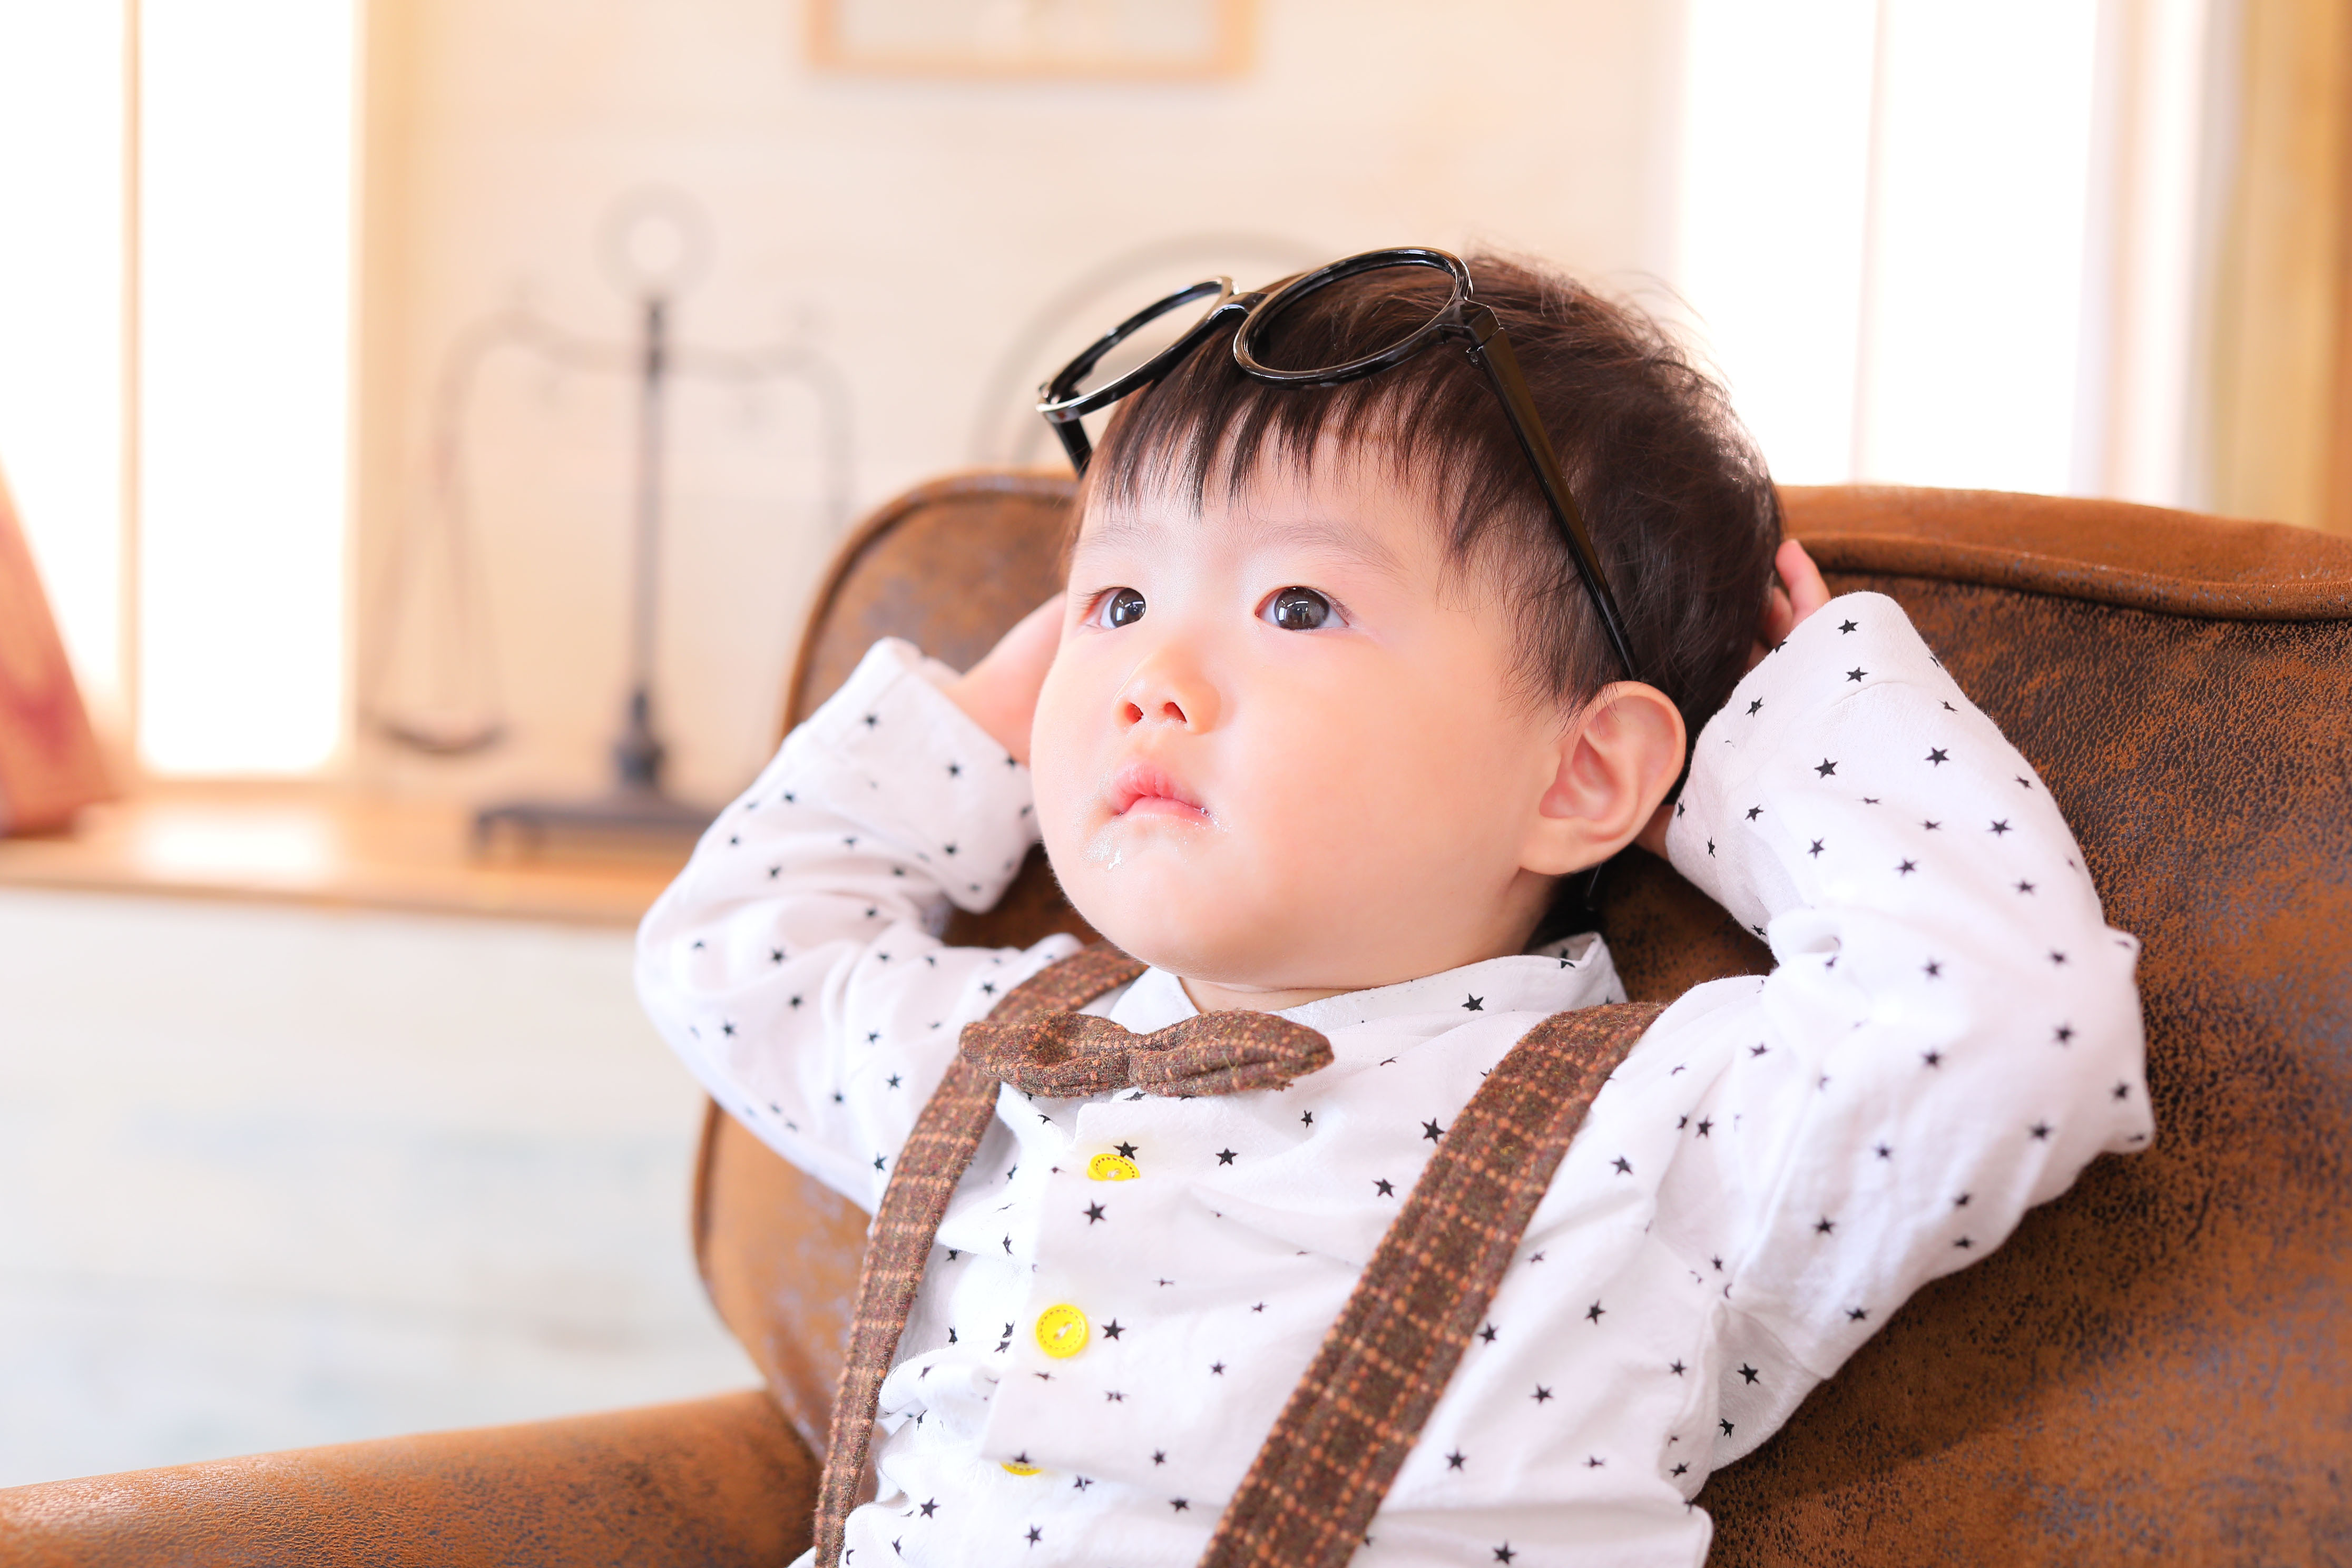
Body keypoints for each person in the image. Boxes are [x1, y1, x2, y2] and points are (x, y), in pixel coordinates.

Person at [635, 251, 2150, 1567]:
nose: (1153, 678)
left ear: (1581, 774)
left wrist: (1800, 734)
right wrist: (982, 717)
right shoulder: (1009, 1053)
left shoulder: (1657, 1125)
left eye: (1297, 606)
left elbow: (2005, 1028)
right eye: (1120, 602)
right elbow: (734, 953)